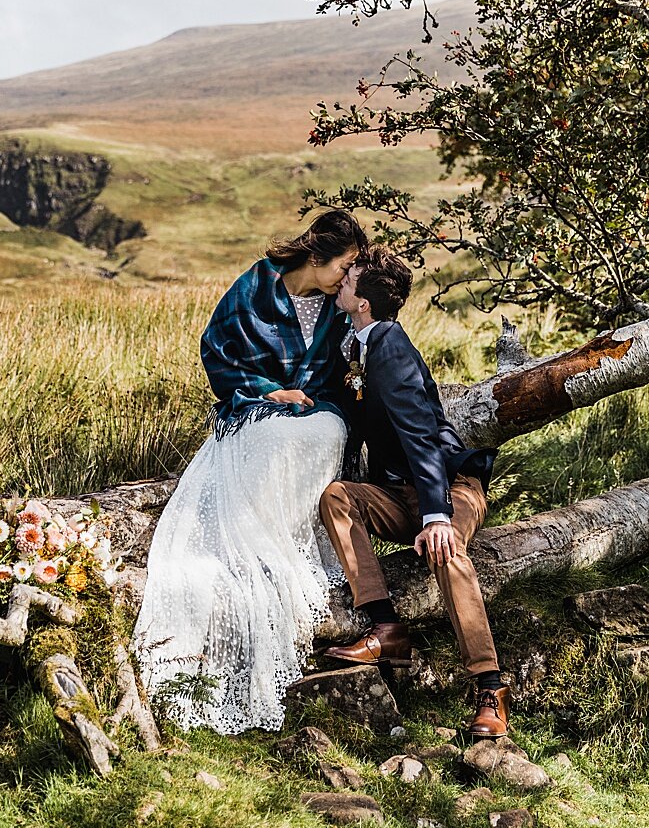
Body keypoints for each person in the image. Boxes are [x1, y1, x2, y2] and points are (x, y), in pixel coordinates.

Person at [132, 209, 367, 734]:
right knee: (269, 436)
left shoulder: (336, 308)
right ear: (316, 256)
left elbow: (345, 369)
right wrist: (268, 392)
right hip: (254, 408)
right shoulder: (254, 286)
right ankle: (256, 548)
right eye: (345, 266)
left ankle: (283, 543)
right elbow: (216, 352)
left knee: (320, 433)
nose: (347, 278)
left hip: (316, 412)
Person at [318, 246, 509, 737]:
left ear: (364, 301)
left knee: (446, 551)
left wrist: (436, 515)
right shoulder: (357, 342)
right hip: (395, 490)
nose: (341, 279)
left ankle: (489, 685)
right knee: (337, 498)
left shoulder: (391, 345)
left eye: (350, 276)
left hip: (449, 485)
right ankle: (386, 628)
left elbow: (421, 432)